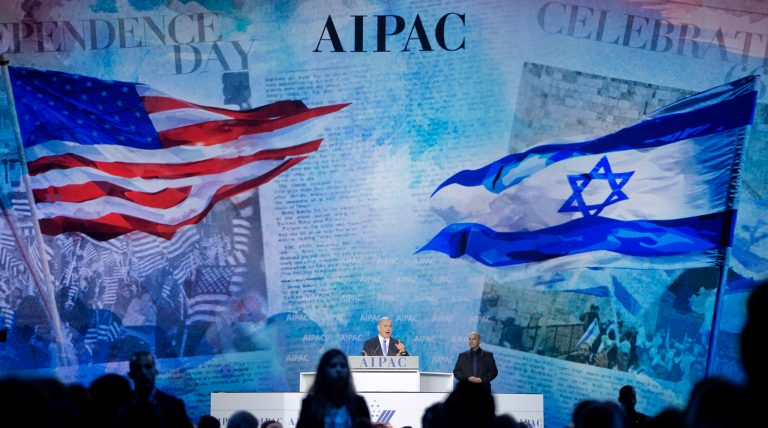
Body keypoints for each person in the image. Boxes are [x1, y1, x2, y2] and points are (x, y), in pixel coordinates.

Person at [297, 349, 371, 428]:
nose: (339, 370)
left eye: (343, 366)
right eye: (333, 365)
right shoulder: (310, 404)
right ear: (323, 370)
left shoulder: (359, 403)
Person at [127, 351, 193, 428]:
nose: (143, 372)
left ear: (155, 372)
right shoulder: (122, 404)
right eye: (138, 368)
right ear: (130, 375)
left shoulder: (174, 405)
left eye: (148, 366)